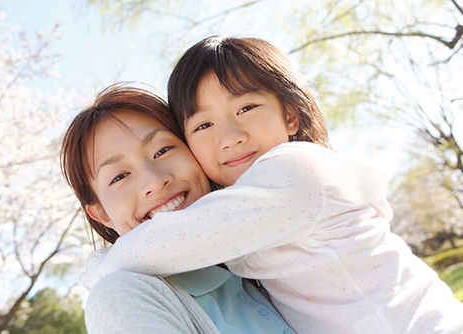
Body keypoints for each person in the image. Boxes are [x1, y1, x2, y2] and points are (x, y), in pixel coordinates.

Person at [86, 36, 463, 334]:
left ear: (290, 114)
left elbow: (169, 239)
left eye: (246, 108)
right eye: (203, 126)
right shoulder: (242, 214)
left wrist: (101, 269)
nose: (230, 136)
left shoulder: (294, 171)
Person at [60, 83, 296, 334]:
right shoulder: (123, 296)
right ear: (101, 214)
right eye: (119, 177)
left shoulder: (269, 256)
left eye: (162, 150)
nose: (154, 181)